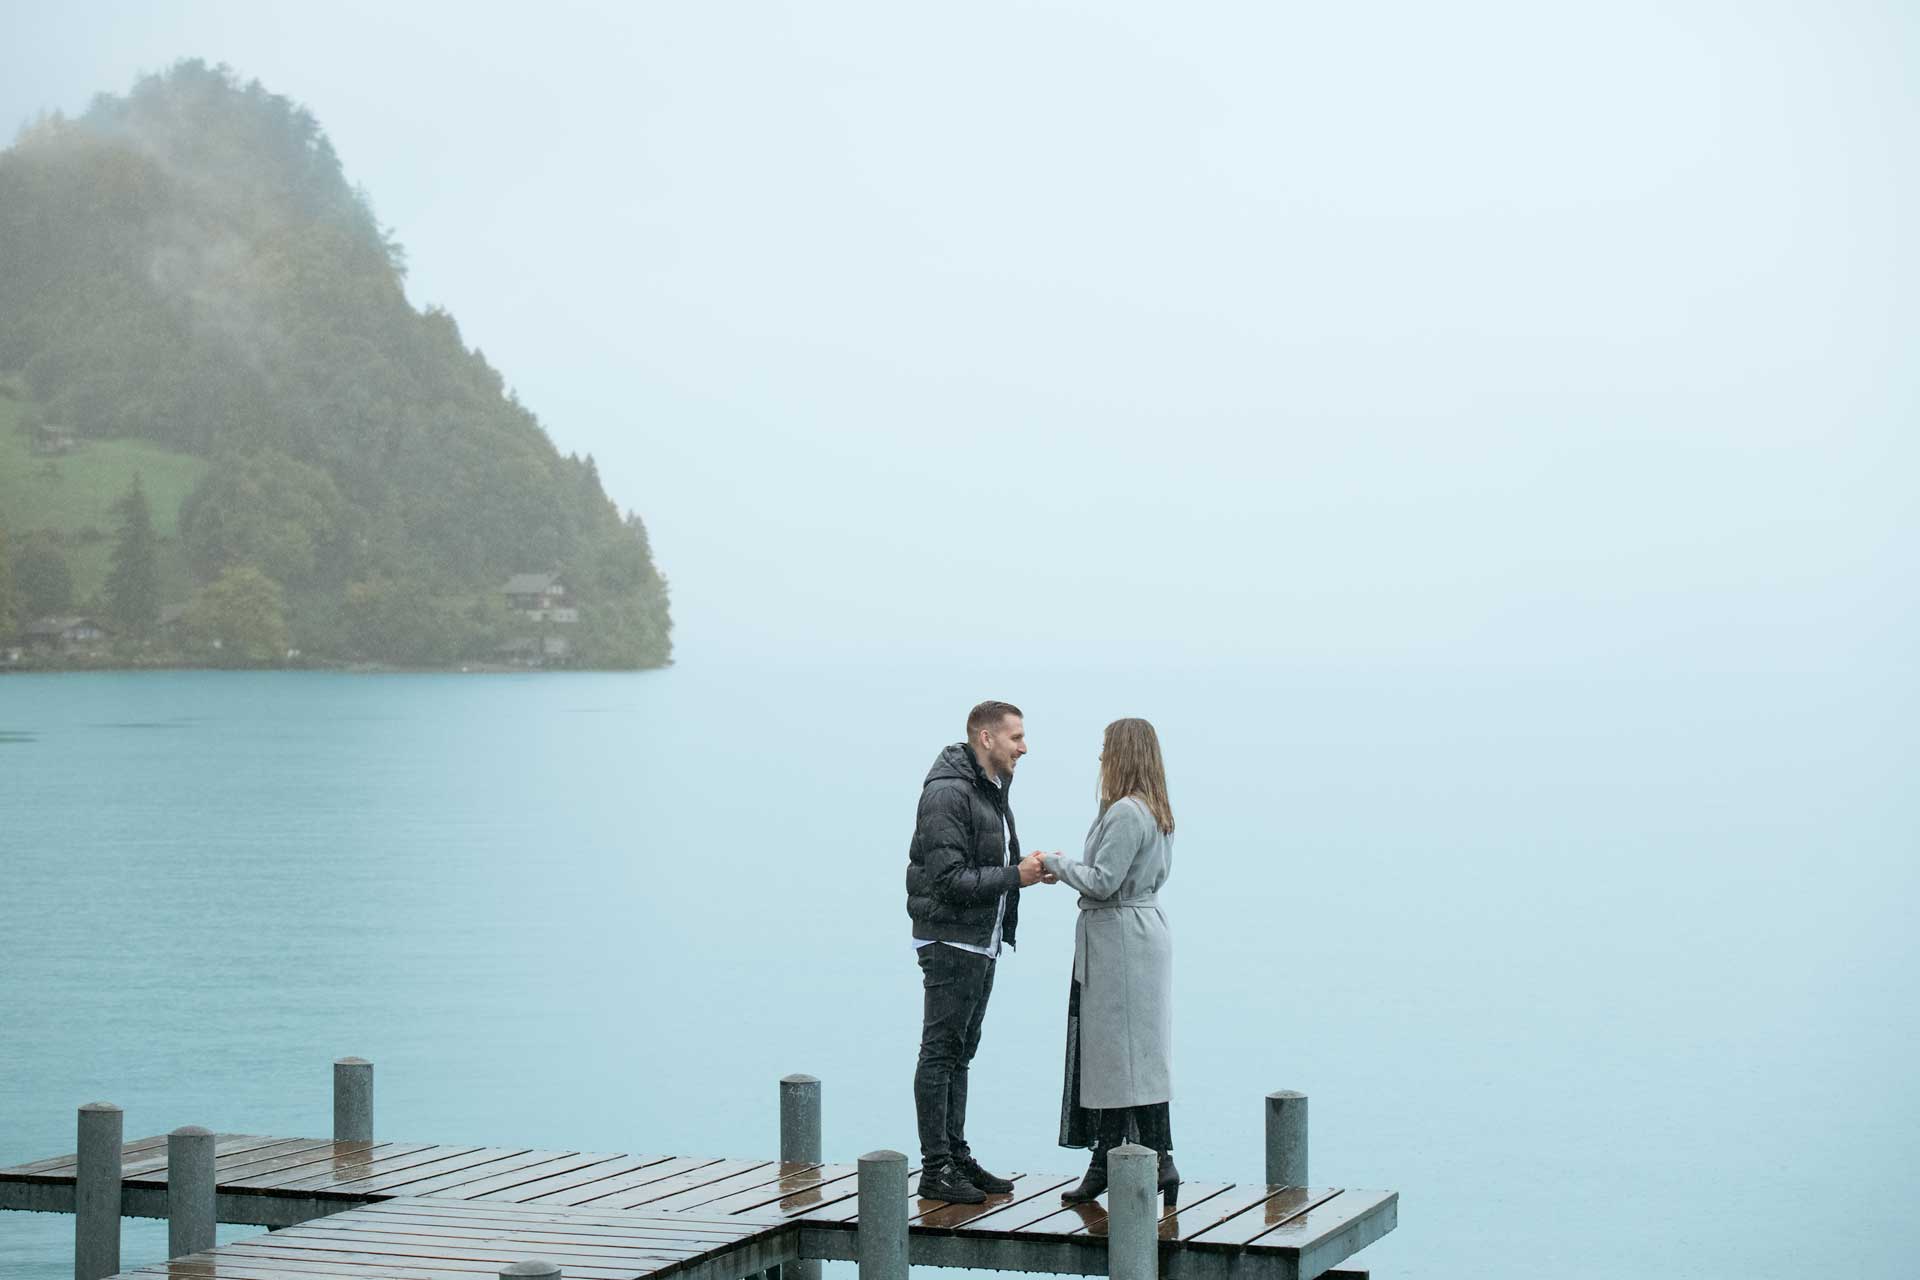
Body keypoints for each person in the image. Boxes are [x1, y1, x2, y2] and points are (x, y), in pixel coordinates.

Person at [905, 700, 1049, 1204]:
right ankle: (935, 1168)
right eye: (1016, 738)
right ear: (985, 738)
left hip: (978, 938)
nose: (1024, 747)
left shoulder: (988, 786)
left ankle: (956, 1157)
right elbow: (946, 880)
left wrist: (1020, 867)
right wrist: (1016, 877)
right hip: (949, 939)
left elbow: (983, 859)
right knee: (941, 1051)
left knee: (961, 1054)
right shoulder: (947, 793)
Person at [1040, 717, 1179, 1205]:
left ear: (1121, 753)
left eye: (1105, 749)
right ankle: (1157, 1157)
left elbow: (1102, 881)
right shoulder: (1155, 809)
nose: (1100, 758)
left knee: (1115, 1056)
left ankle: (1115, 1159)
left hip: (1120, 939)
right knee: (1140, 1056)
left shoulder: (1125, 812)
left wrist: (1055, 863)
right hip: (1141, 934)